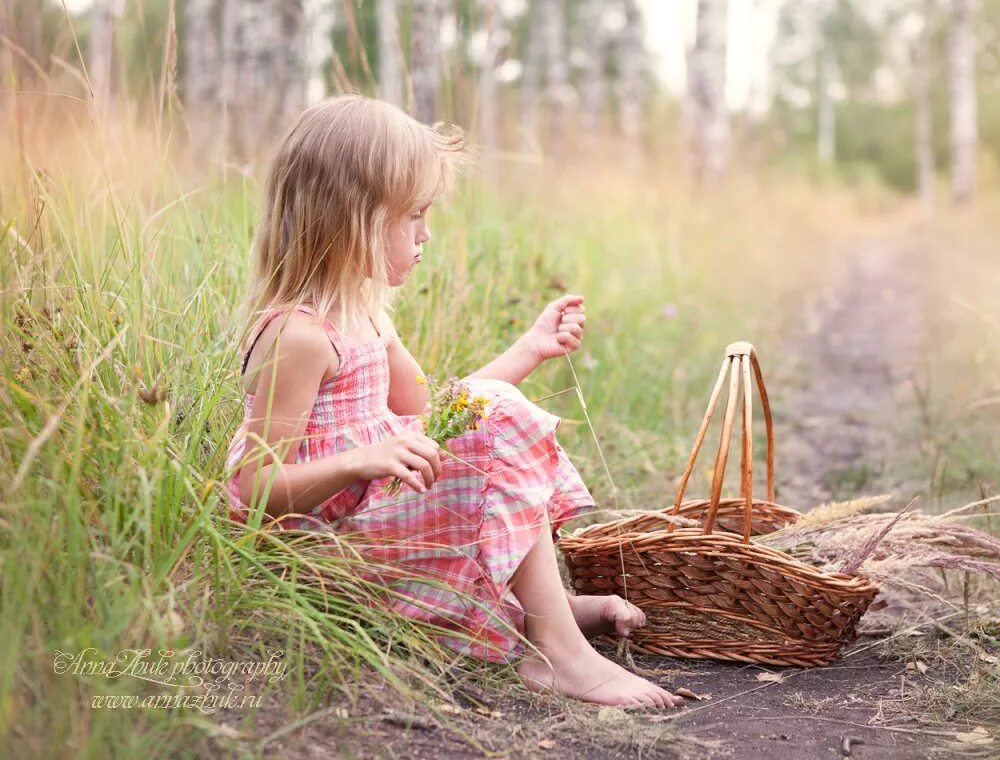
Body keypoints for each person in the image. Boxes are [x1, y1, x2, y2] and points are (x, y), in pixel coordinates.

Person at [224, 94, 683, 709]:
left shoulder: (366, 316)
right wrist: (357, 461)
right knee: (492, 423)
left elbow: (451, 415)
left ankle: (548, 615)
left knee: (490, 419)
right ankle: (560, 648)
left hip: (378, 527)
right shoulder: (299, 335)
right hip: (324, 557)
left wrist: (528, 349)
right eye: (412, 216)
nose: (426, 234)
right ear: (351, 217)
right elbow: (250, 488)